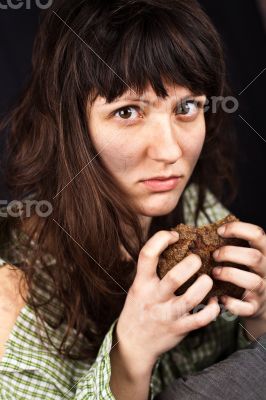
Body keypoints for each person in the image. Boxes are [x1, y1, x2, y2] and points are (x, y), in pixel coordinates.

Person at [0, 1, 265, 399]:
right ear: (69, 125)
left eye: (186, 107)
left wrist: (260, 315)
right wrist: (130, 354)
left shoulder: (199, 207)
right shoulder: (12, 298)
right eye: (128, 111)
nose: (170, 150)